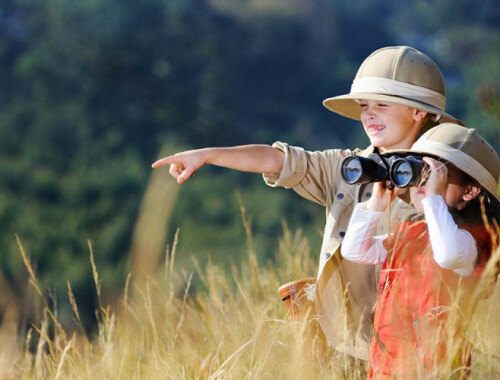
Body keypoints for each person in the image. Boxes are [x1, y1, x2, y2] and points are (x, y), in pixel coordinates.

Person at [152, 46, 459, 359]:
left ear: (418, 112)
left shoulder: (443, 183)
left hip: (406, 352)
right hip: (337, 344)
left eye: (382, 104)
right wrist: (208, 155)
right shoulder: (345, 169)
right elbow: (278, 160)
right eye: (364, 105)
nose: (369, 114)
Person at [341, 123, 500, 378]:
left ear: (469, 191)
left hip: (436, 370)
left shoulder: (474, 241)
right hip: (385, 369)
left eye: (437, 173)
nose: (424, 182)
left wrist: (433, 197)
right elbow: (355, 251)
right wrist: (375, 205)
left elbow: (447, 253)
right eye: (418, 170)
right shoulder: (410, 233)